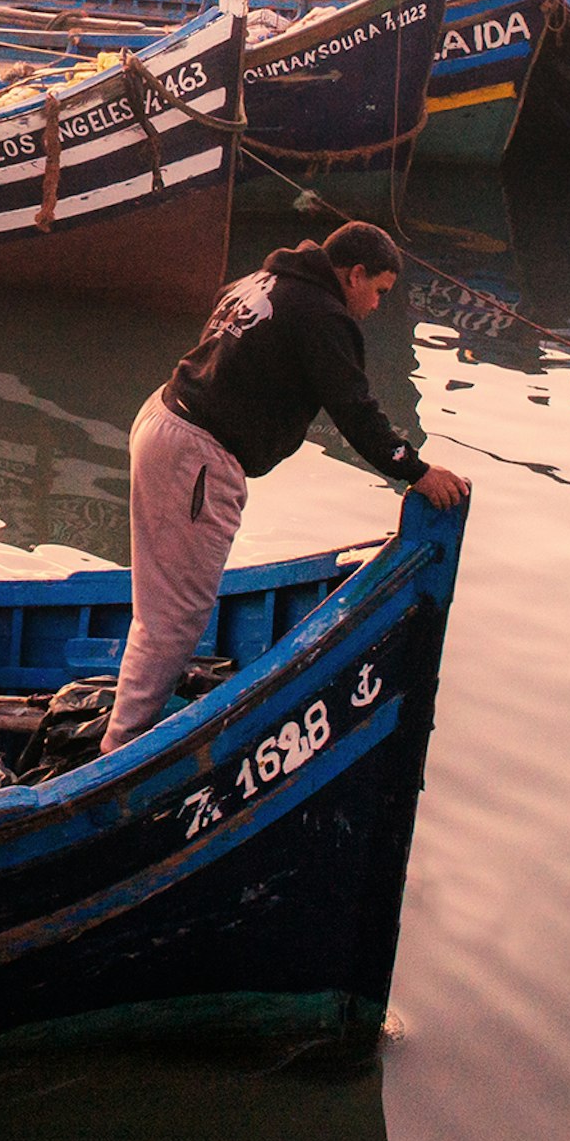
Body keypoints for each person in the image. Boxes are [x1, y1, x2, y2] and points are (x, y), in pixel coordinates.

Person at [103, 221, 470, 755]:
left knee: (161, 603)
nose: (376, 306)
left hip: (162, 418)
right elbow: (355, 411)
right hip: (197, 453)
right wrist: (417, 471)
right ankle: (122, 752)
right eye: (378, 292)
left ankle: (140, 709)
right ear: (355, 274)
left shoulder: (265, 280)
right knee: (175, 617)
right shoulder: (322, 314)